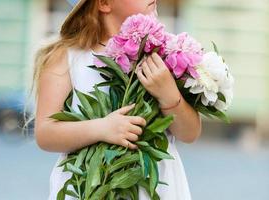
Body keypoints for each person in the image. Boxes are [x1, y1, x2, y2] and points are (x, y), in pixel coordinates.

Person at [32, 0, 202, 199]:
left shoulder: (167, 54)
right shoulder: (68, 56)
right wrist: (103, 128)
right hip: (90, 185)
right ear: (104, 3)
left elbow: (190, 134)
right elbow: (45, 133)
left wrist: (169, 94)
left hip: (154, 188)